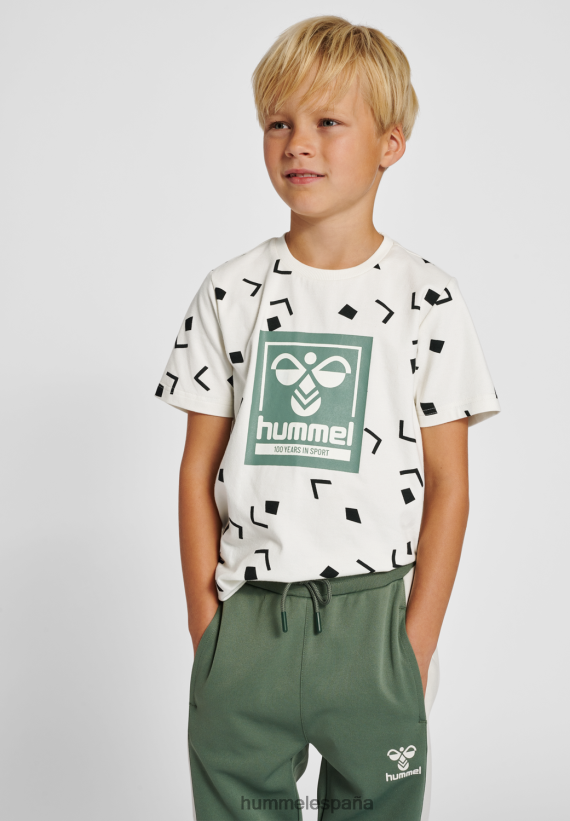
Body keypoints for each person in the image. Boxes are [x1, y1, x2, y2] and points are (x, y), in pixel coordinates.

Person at [155, 15, 500, 821]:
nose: (297, 144)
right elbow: (197, 470)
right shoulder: (230, 292)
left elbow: (450, 485)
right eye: (278, 123)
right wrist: (209, 629)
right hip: (248, 621)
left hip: (374, 623)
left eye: (327, 122)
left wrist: (411, 647)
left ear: (390, 144)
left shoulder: (426, 299)